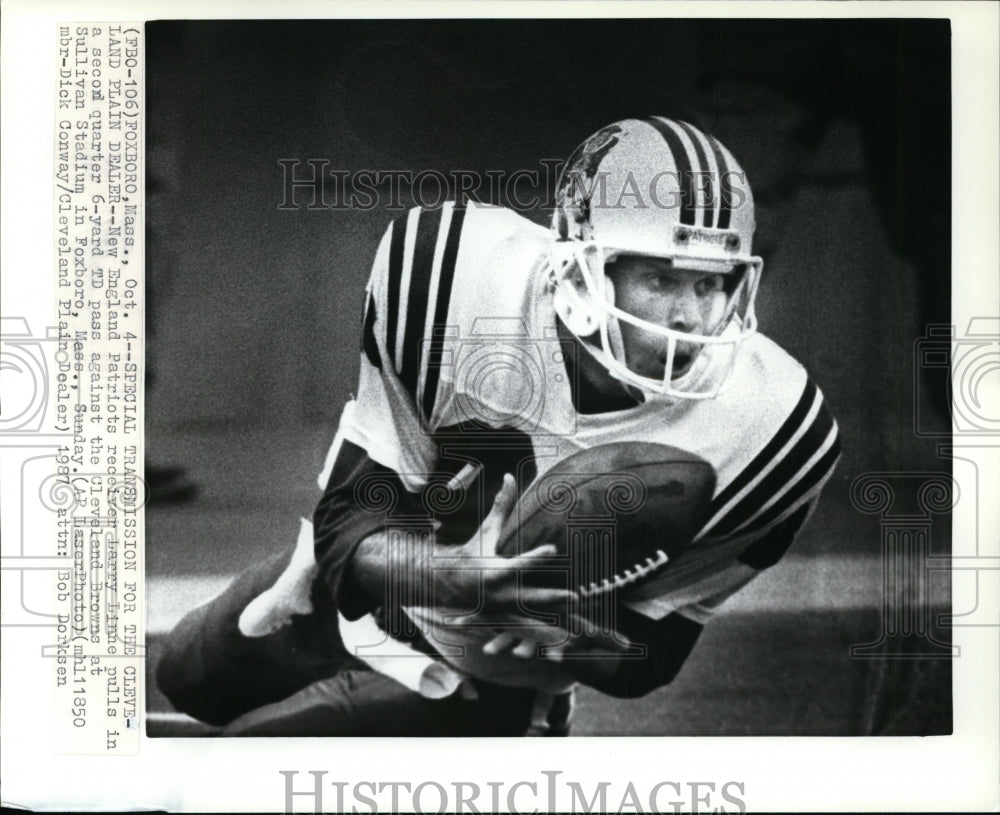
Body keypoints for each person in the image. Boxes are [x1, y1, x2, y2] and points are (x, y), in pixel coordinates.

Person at [156, 117, 840, 736]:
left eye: (711, 282)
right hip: (356, 590)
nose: (693, 317)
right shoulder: (453, 273)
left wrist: (557, 629)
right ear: (582, 270)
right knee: (184, 672)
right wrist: (451, 578)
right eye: (662, 279)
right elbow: (344, 525)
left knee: (253, 770)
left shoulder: (776, 430)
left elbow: (653, 654)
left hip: (487, 677)